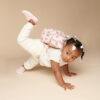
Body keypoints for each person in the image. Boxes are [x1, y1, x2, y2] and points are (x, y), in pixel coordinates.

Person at [16, 10, 85, 90]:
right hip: (40, 48)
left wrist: (67, 72)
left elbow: (64, 63)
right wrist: (63, 84)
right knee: (21, 40)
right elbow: (56, 71)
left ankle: (24, 67)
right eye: (67, 53)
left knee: (33, 61)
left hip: (41, 58)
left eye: (73, 57)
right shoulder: (56, 54)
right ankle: (31, 22)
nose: (68, 58)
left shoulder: (65, 56)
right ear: (63, 46)